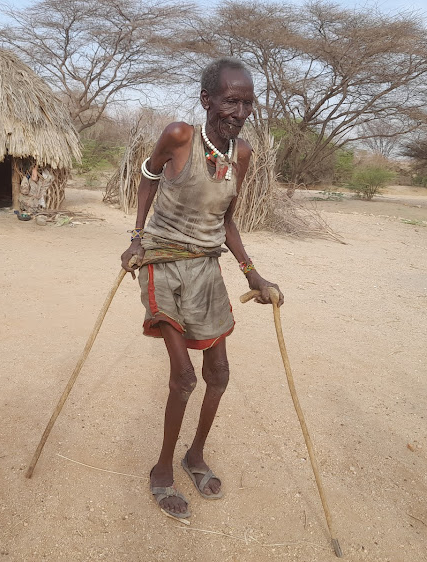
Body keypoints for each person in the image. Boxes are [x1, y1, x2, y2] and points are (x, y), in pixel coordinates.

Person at [120, 57, 284, 519]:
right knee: (185, 377)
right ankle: (161, 470)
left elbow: (226, 220)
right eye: (232, 100)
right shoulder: (179, 137)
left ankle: (196, 456)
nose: (241, 111)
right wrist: (135, 239)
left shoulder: (243, 155)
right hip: (163, 264)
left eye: (248, 103)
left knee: (220, 375)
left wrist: (253, 272)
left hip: (207, 270)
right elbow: (149, 177)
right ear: (206, 99)